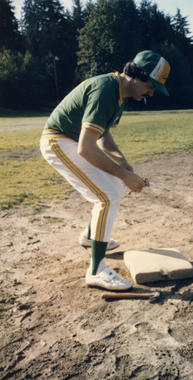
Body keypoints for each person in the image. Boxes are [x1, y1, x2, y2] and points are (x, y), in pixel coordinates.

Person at [40, 50, 171, 290]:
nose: (150, 93)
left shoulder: (118, 93)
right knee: (107, 196)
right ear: (135, 74)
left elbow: (104, 137)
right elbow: (86, 148)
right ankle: (96, 271)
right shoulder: (106, 90)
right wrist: (123, 174)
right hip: (57, 141)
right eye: (150, 86)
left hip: (71, 140)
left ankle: (91, 237)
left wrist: (123, 164)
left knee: (117, 189)